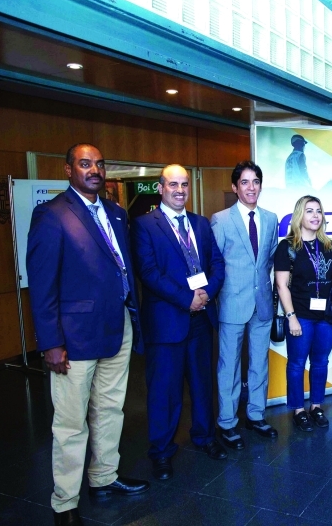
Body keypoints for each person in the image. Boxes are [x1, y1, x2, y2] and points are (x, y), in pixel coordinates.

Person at [27, 143, 148, 526]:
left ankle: (104, 477)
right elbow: (42, 284)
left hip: (117, 326)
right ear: (68, 170)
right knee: (70, 422)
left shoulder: (115, 212)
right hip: (74, 337)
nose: (94, 170)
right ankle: (65, 502)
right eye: (84, 164)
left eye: (99, 164)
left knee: (110, 409)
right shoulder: (51, 215)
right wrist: (50, 342)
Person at [131, 164, 227, 480]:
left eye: (184, 184)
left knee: (202, 385)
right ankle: (161, 451)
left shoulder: (200, 223)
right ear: (160, 188)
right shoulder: (144, 225)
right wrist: (187, 299)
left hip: (201, 319)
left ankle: (204, 436)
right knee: (164, 391)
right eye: (173, 184)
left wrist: (207, 293)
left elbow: (217, 263)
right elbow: (148, 273)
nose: (180, 190)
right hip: (166, 323)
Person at [211, 161, 279, 450]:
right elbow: (214, 262)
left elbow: (270, 259)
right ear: (235, 187)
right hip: (232, 303)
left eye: (256, 182)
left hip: (262, 302)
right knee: (229, 365)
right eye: (245, 182)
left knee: (259, 362)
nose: (251, 188)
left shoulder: (271, 219)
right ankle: (227, 422)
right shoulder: (221, 220)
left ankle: (256, 415)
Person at [274, 195, 332, 431]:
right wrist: (291, 317)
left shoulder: (328, 245)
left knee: (320, 362)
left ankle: (316, 406)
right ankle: (298, 410)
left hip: (326, 317)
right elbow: (281, 285)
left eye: (318, 211)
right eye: (309, 211)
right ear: (299, 215)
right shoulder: (287, 247)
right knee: (297, 364)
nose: (316, 215)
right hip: (301, 317)